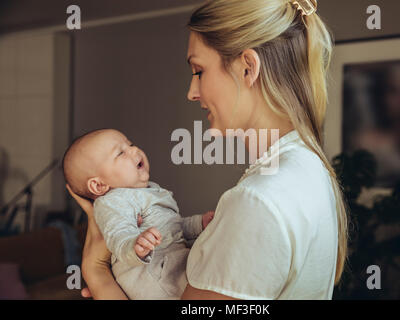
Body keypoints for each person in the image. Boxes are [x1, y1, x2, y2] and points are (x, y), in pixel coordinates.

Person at [68, 0, 348, 300]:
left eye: (198, 71)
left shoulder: (258, 200)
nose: (191, 92)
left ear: (247, 68)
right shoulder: (310, 167)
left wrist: (96, 272)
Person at [63, 129, 214, 299]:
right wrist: (134, 245)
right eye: (120, 153)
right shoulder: (112, 202)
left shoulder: (149, 190)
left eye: (131, 144)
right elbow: (118, 235)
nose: (135, 150)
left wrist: (199, 223)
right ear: (99, 186)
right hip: (152, 277)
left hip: (169, 265)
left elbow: (172, 227)